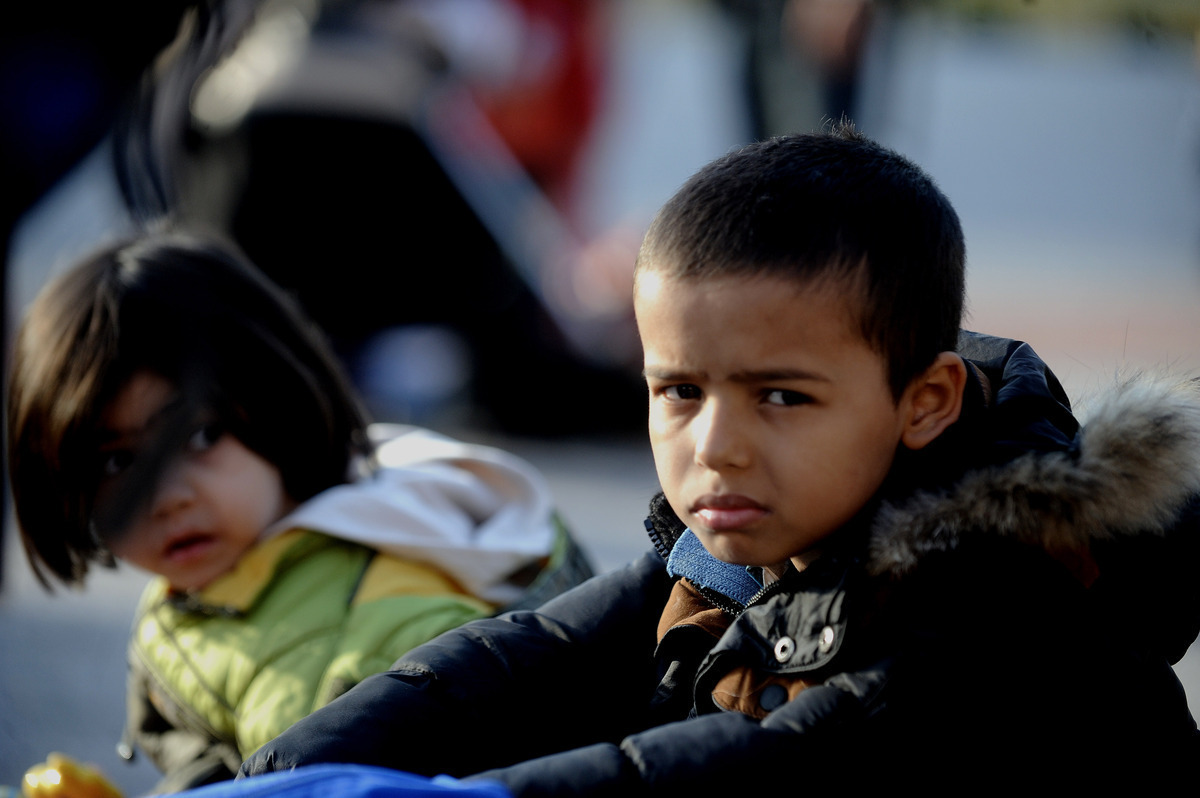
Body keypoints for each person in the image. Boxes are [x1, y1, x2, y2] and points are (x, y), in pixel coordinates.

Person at [239, 123, 1200, 791]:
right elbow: (535, 656)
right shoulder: (729, 552)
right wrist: (296, 771)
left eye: (782, 396)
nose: (716, 446)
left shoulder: (1000, 606)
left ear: (926, 402)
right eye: (679, 391)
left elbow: (773, 770)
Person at [5, 227, 593, 793]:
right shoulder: (229, 569)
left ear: (275, 400)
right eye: (116, 462)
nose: (167, 497)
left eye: (201, 436)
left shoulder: (348, 646)